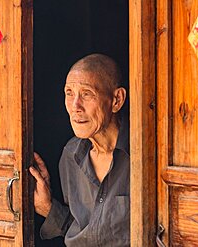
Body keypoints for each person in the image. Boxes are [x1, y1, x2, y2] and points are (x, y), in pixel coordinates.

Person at [30, 54, 130, 246]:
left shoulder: (144, 155)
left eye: (86, 94)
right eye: (69, 93)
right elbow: (84, 232)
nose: (75, 106)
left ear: (116, 100)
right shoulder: (71, 156)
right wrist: (48, 208)